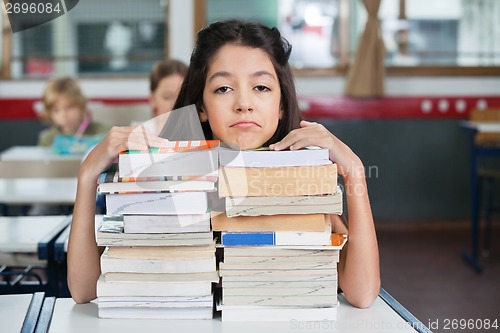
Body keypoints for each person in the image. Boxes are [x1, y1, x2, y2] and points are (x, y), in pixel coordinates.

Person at [67, 19, 380, 308]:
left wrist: (354, 172)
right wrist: (86, 176)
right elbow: (84, 290)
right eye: (223, 88)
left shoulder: (300, 176)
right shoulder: (162, 172)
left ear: (282, 105)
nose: (243, 103)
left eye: (261, 87)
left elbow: (362, 293)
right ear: (201, 106)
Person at [37, 77, 109, 149]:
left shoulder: (103, 132)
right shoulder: (48, 140)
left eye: (68, 107)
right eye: (56, 110)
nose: (63, 115)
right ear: (49, 113)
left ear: (81, 105)